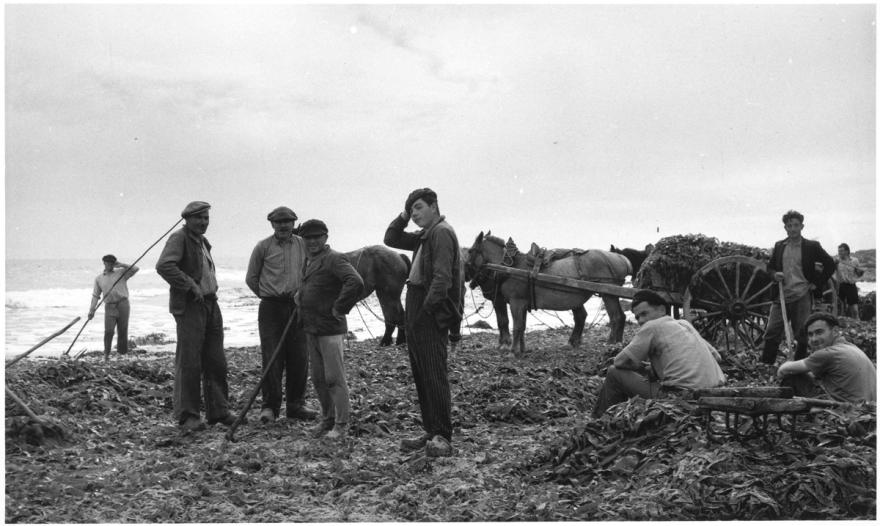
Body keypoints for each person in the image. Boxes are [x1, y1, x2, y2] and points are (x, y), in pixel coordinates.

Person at [384, 188, 462, 457]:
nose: (415, 214)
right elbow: (391, 237)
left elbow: (442, 279)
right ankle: (431, 430)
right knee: (422, 372)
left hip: (429, 307)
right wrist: (404, 213)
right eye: (412, 210)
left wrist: (426, 311)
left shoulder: (440, 232)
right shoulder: (425, 235)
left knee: (434, 373)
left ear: (434, 206)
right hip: (417, 301)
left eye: (418, 208)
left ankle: (443, 436)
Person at [156, 201, 235, 433]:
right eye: (198, 218)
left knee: (216, 360)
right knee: (190, 361)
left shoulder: (202, 242)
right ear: (186, 219)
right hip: (190, 306)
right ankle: (188, 415)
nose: (203, 222)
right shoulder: (179, 238)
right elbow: (164, 266)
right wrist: (190, 285)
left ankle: (218, 411)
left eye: (206, 218)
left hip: (211, 304)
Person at [591, 290, 726, 418]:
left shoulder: (652, 327)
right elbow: (717, 358)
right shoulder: (685, 324)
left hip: (681, 398)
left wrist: (642, 368)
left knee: (614, 372)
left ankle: (600, 420)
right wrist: (655, 369)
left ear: (662, 309)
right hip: (715, 394)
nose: (641, 321)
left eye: (644, 314)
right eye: (637, 317)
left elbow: (620, 362)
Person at [245, 206, 318, 424]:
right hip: (271, 308)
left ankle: (296, 405)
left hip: (298, 307)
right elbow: (251, 278)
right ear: (272, 224)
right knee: (272, 357)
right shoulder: (262, 247)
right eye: (279, 222)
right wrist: (269, 296)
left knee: (299, 356)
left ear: (294, 223)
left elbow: (312, 272)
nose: (284, 225)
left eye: (288, 221)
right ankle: (270, 407)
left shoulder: (303, 245)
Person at [296, 219, 364, 440]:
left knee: (334, 378)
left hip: (330, 329)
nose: (313, 241)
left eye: (317, 237)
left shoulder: (335, 258)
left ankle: (341, 424)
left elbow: (355, 281)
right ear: (303, 240)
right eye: (308, 238)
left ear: (326, 237)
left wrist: (340, 307)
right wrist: (301, 296)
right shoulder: (308, 260)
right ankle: (327, 420)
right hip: (312, 327)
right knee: (318, 378)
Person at [760, 210, 836, 364]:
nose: (793, 229)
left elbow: (830, 264)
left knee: (802, 333)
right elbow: (770, 268)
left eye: (796, 225)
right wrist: (775, 275)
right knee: (772, 331)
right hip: (781, 296)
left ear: (802, 226)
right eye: (789, 226)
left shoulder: (811, 246)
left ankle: (800, 365)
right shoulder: (780, 246)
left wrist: (817, 283)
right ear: (785, 228)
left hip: (802, 295)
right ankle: (766, 365)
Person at [776, 312, 875, 404]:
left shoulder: (828, 354)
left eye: (819, 332)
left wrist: (785, 370)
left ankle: (786, 412)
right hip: (869, 411)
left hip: (847, 413)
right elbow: (815, 375)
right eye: (810, 334)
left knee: (792, 377)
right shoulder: (852, 348)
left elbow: (783, 369)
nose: (814, 339)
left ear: (835, 331)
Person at [88, 254, 139, 361]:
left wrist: (121, 264)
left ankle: (122, 353)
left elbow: (135, 268)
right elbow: (95, 296)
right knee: (109, 331)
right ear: (104, 263)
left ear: (114, 263)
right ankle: (106, 354)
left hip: (123, 304)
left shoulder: (121, 272)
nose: (109, 265)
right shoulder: (99, 278)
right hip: (109, 306)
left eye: (112, 263)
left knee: (122, 329)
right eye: (107, 263)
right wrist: (91, 310)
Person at [834, 243, 865, 320]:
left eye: (841, 251)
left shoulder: (855, 261)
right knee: (841, 309)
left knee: (854, 310)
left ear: (847, 251)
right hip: (840, 286)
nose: (839, 253)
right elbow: (831, 270)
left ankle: (857, 324)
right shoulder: (837, 261)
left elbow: (858, 275)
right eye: (838, 251)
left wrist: (861, 272)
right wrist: (834, 264)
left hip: (851, 286)